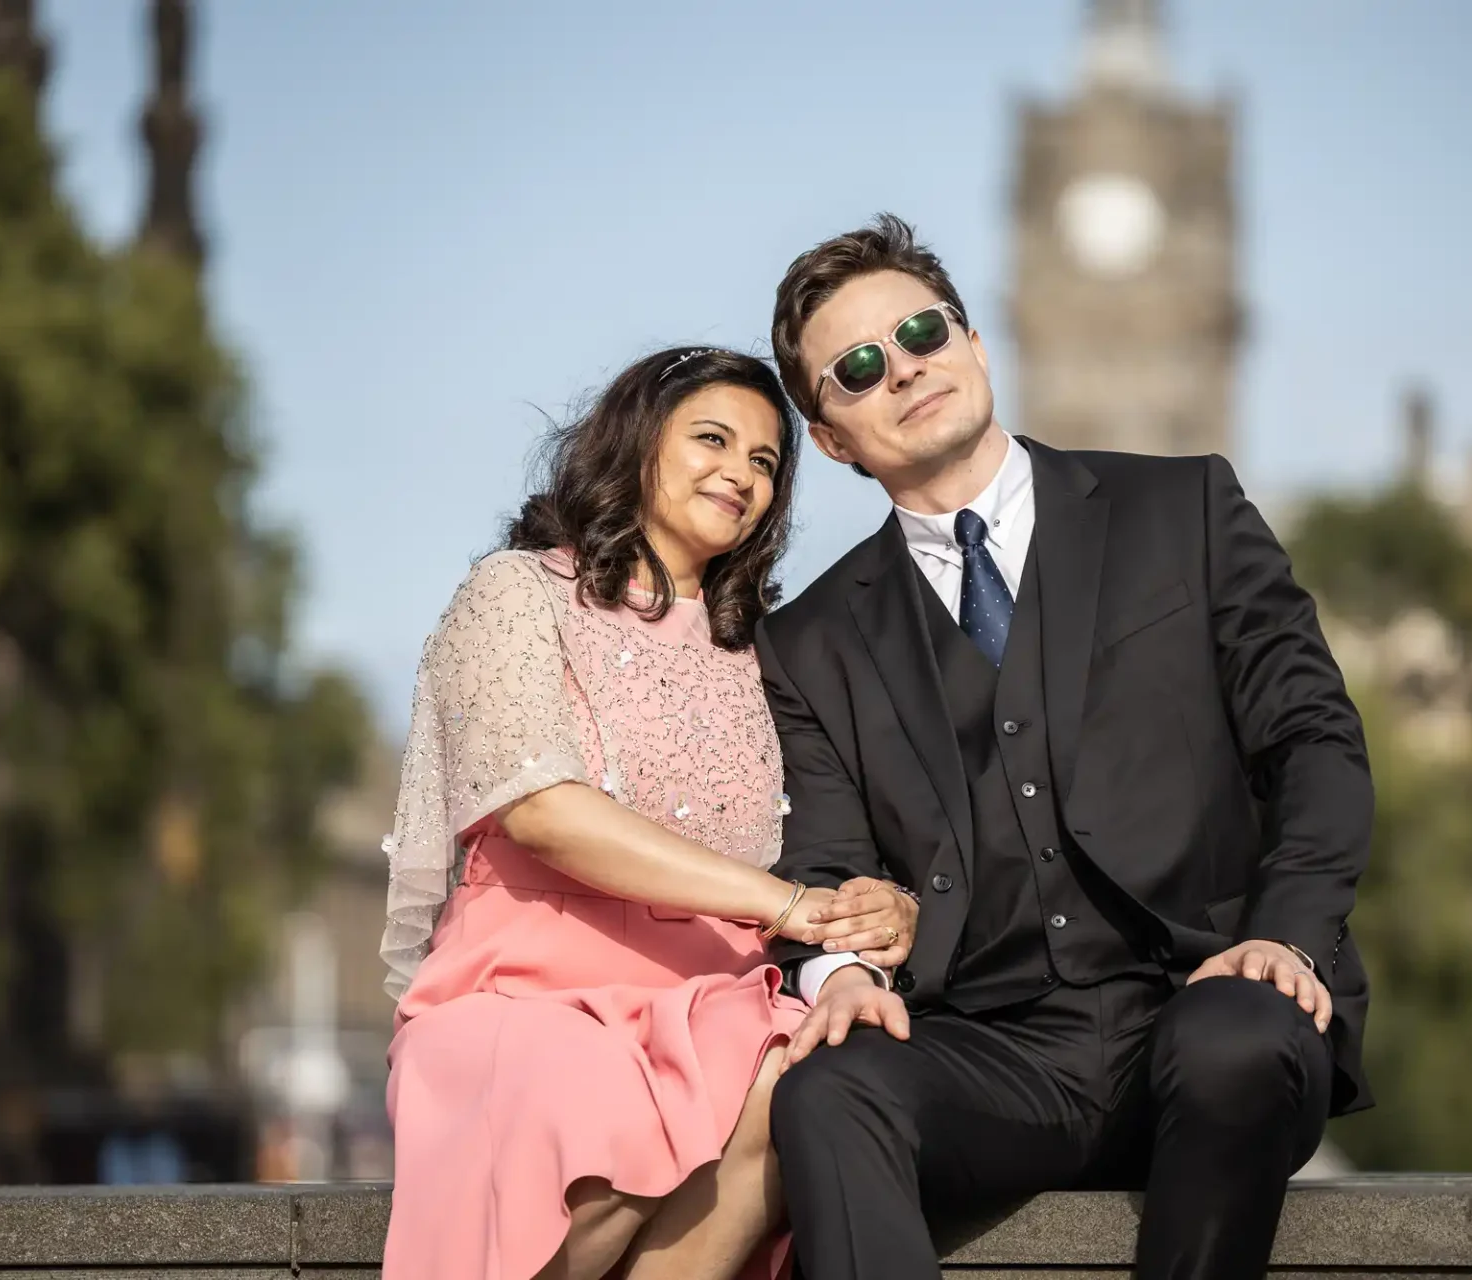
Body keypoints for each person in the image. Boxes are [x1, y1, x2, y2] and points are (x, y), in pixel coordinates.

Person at [753, 215, 1374, 1280]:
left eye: (922, 332)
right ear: (830, 435)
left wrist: (1288, 937)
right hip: (990, 1049)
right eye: (859, 368)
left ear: (976, 341)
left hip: (1202, 998)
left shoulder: (1186, 506)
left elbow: (1314, 734)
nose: (904, 369)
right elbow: (824, 863)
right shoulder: (808, 639)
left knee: (1238, 1038)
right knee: (829, 1088)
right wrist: (843, 972)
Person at [378, 346, 920, 1280]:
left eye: (764, 463)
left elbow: (835, 836)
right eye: (713, 439)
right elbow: (542, 810)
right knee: (602, 1122)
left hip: (713, 994)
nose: (741, 475)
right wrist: (781, 903)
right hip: (525, 987)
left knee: (809, 1085)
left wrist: (881, 907)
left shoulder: (768, 653)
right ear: (634, 444)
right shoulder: (517, 593)